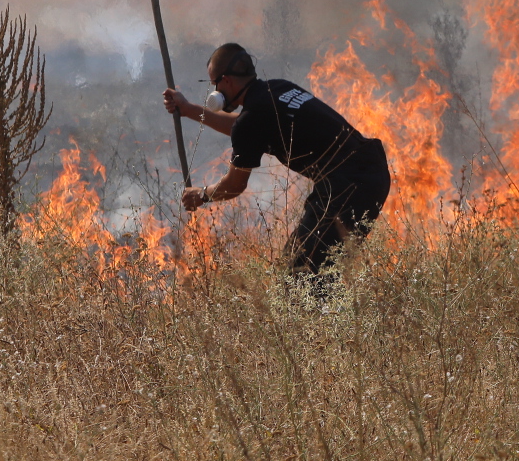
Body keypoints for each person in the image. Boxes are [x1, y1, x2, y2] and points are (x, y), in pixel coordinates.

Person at [164, 42, 391, 284]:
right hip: (370, 170)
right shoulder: (278, 88)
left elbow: (235, 184)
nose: (214, 89)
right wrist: (188, 110)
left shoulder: (252, 119)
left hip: (347, 184)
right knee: (317, 269)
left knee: (301, 271)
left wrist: (202, 195)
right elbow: (241, 127)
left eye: (214, 83)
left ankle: (322, 320)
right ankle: (336, 318)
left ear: (226, 80)